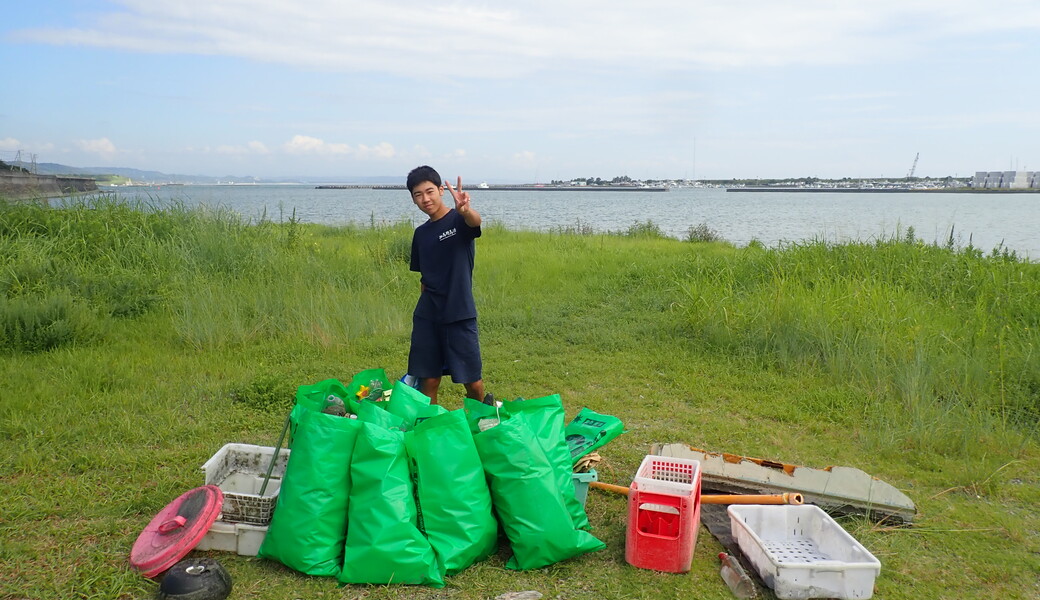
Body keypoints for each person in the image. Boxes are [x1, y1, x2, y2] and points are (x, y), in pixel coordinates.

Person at [406, 165, 491, 406]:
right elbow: (424, 277)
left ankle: (480, 421)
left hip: (459, 312)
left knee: (472, 381)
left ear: (441, 190)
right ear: (413, 200)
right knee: (429, 380)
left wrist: (465, 210)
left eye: (429, 191)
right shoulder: (420, 234)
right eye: (418, 195)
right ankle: (430, 428)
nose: (425, 199)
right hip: (428, 316)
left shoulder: (459, 220)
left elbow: (475, 222)